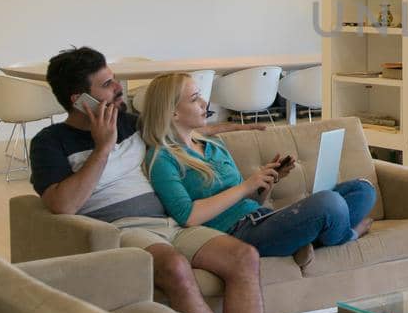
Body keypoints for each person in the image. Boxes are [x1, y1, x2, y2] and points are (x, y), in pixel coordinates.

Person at [28, 47, 265, 313]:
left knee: (244, 256)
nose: (119, 89)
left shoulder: (130, 122)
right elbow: (62, 205)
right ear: (80, 100)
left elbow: (179, 126)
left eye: (114, 80)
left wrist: (240, 127)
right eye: (106, 85)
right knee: (175, 266)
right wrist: (103, 146)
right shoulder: (49, 143)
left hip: (171, 223)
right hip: (123, 229)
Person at [138, 72, 375, 264]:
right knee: (329, 204)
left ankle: (310, 240)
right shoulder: (162, 158)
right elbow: (189, 217)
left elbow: (252, 201)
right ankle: (348, 234)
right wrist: (246, 186)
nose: (204, 103)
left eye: (201, 96)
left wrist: (266, 183)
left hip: (263, 218)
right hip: (238, 233)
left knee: (363, 190)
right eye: (194, 99)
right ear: (173, 112)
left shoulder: (212, 145)